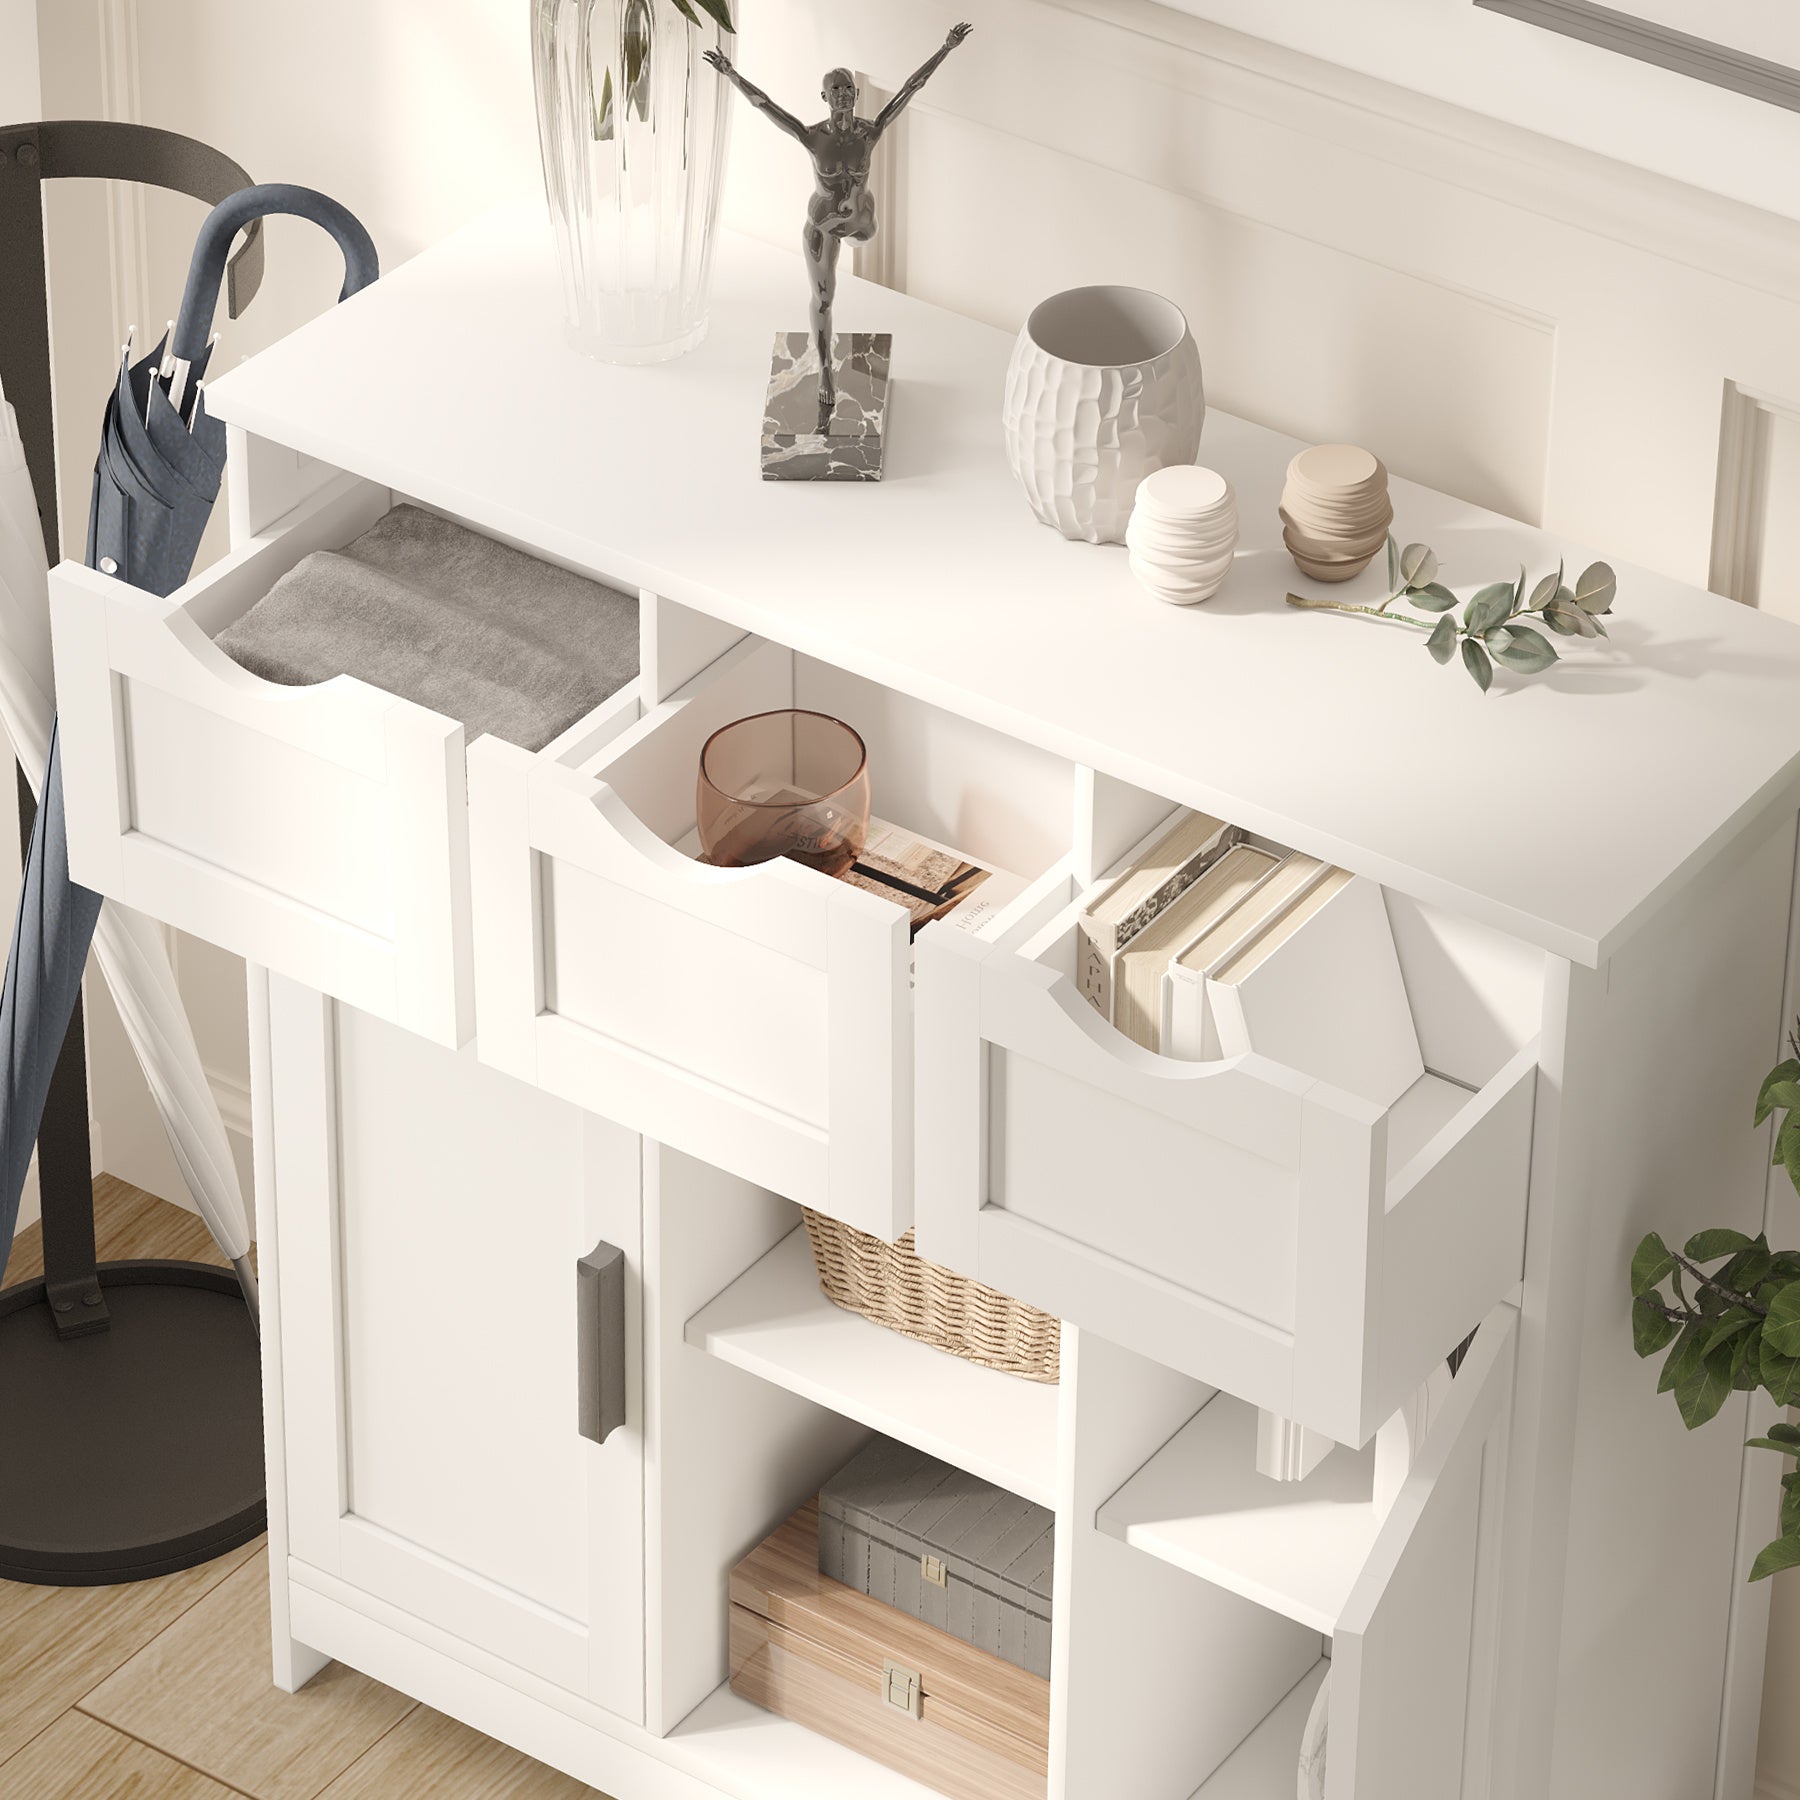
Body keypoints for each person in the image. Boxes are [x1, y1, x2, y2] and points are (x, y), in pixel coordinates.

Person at [706, 25, 973, 410]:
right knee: (823, 298)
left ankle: (858, 224)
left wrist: (946, 47)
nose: (843, 93)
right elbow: (764, 104)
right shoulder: (813, 136)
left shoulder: (870, 132)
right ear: (825, 97)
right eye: (835, 89)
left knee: (866, 233)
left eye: (848, 87)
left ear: (856, 94)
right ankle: (825, 369)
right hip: (824, 225)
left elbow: (912, 87)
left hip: (861, 220)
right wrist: (731, 73)